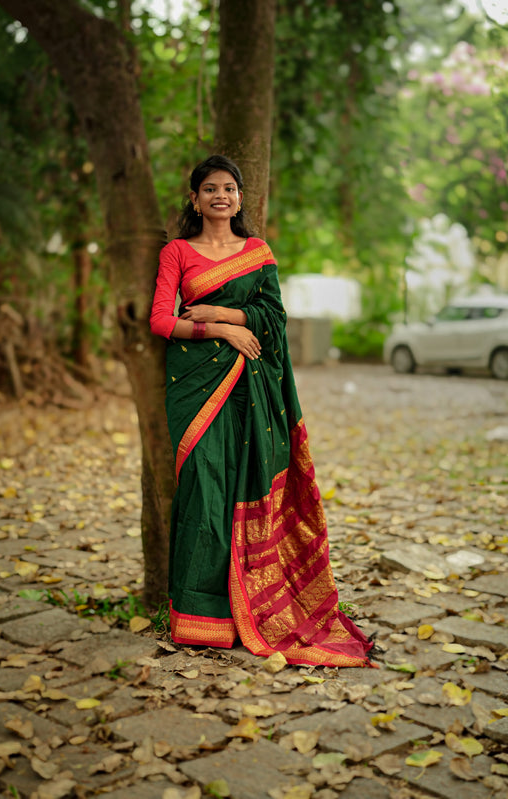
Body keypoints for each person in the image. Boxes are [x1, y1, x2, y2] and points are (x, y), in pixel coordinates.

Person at [150, 154, 374, 667]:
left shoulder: (257, 251)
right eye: (210, 189)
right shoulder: (177, 253)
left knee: (242, 484)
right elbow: (161, 321)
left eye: (229, 188)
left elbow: (273, 316)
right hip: (197, 390)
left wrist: (224, 313)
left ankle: (247, 608)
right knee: (204, 490)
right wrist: (220, 330)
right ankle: (199, 617)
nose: (220, 196)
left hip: (254, 395)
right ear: (195, 199)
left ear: (240, 198)